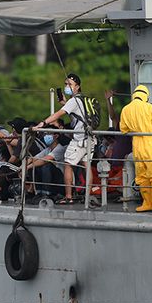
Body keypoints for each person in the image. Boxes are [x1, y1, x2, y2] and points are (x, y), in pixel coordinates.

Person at [34, 73, 95, 205]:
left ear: (77, 87)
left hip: (79, 140)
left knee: (68, 164)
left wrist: (42, 123)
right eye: (65, 84)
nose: (67, 87)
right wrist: (64, 102)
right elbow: (78, 116)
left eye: (70, 84)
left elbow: (59, 114)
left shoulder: (74, 101)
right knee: (87, 166)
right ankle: (87, 196)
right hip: (90, 138)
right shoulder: (84, 99)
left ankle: (68, 196)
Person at [119, 84, 152, 212]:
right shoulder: (150, 107)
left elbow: (123, 129)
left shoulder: (126, 109)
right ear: (146, 96)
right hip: (151, 145)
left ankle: (146, 203)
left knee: (141, 176)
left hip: (137, 146)